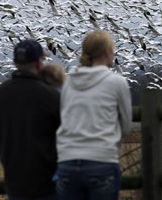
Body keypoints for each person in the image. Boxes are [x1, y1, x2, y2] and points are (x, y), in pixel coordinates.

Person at [55, 30, 132, 200]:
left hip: (67, 162)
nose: (114, 54)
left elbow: (63, 119)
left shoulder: (68, 83)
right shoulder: (117, 82)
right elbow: (126, 126)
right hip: (101, 161)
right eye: (113, 50)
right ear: (106, 52)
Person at [0, 39, 61, 200]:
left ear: (14, 62)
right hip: (46, 185)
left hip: (14, 184)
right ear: (40, 64)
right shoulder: (50, 96)